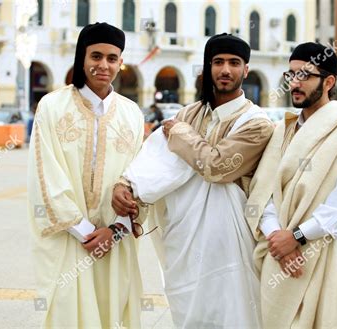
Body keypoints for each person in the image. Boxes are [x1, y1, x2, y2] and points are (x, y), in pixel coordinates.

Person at [112, 33, 275, 328]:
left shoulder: (257, 123)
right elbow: (159, 163)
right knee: (190, 312)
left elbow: (218, 166)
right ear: (207, 67)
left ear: (246, 70)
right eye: (218, 62)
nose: (226, 70)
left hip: (229, 240)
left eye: (234, 63)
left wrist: (179, 133)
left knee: (232, 311)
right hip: (183, 235)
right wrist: (128, 189)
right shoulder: (189, 113)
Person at [245, 42, 337, 327]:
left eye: (304, 75)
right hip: (280, 253)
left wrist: (297, 238)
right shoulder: (283, 131)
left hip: (331, 250)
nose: (295, 83)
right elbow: (262, 192)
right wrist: (277, 237)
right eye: (291, 75)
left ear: (328, 82)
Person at [27, 22, 146, 328]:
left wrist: (114, 231)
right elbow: (44, 176)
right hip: (70, 241)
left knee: (111, 314)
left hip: (115, 242)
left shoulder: (132, 114)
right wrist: (85, 232)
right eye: (95, 56)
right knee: (70, 314)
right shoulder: (52, 107)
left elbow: (139, 180)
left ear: (121, 63)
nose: (103, 65)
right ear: (82, 58)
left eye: (111, 58)